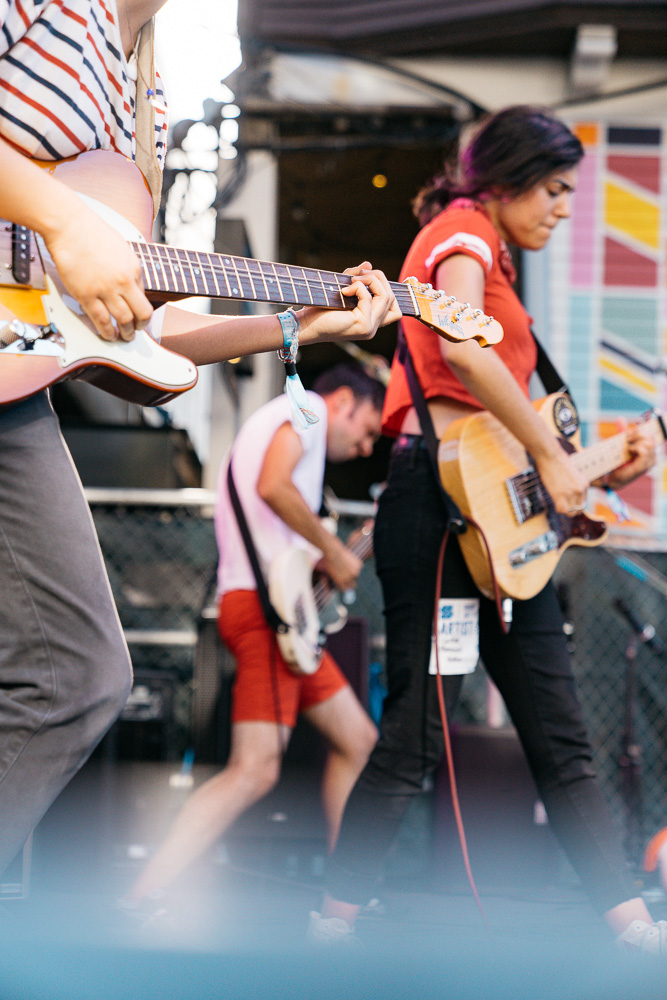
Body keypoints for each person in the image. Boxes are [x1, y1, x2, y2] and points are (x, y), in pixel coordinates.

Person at [0, 0, 399, 880]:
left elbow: (145, 323)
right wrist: (64, 222)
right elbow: (77, 240)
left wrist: (299, 326)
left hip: (17, 387)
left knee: (79, 677)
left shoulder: (144, 93)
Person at [312, 105, 666, 953]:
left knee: (558, 732)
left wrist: (605, 464)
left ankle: (631, 929)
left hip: (496, 520)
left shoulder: (491, 253)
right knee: (416, 730)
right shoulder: (463, 230)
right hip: (436, 503)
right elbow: (465, 352)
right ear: (506, 180)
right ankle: (330, 924)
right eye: (553, 190)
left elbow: (521, 450)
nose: (563, 208)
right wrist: (550, 453)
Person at [123, 362, 383, 908]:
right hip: (265, 614)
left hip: (277, 613)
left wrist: (327, 557)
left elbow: (275, 524)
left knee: (358, 740)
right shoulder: (308, 411)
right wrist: (334, 552)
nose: (365, 448)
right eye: (367, 431)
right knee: (254, 771)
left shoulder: (290, 419)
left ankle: (344, 904)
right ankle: (142, 898)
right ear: (344, 401)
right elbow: (272, 486)